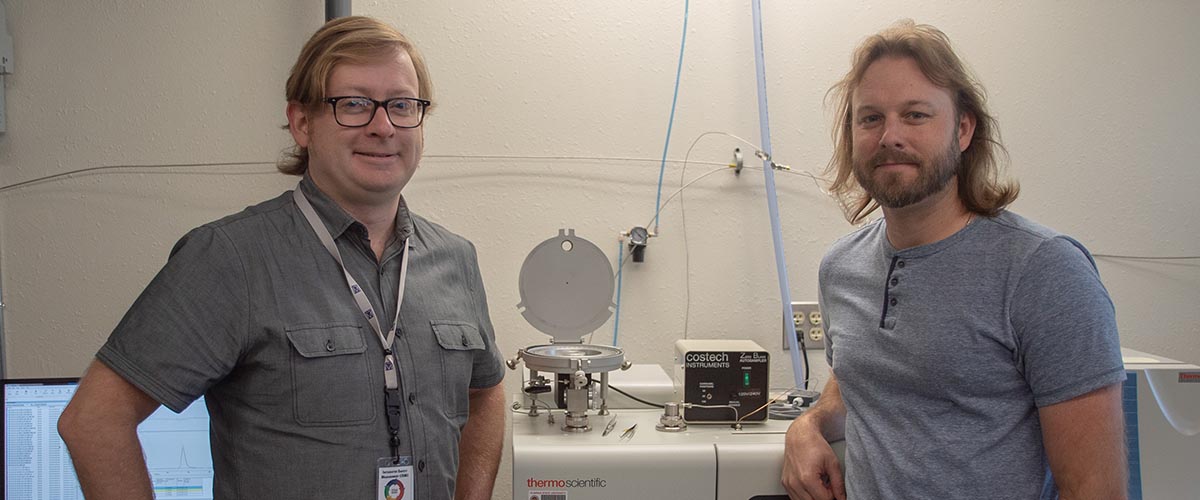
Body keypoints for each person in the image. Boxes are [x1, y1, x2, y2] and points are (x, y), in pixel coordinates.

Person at [57, 16, 506, 500]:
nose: (383, 126)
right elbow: (93, 421)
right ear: (302, 123)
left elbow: (485, 394)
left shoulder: (455, 259)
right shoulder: (230, 258)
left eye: (402, 105)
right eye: (354, 104)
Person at [781, 20, 1127, 500]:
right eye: (870, 118)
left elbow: (1095, 489)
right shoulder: (841, 267)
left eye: (916, 115)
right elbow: (865, 374)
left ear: (963, 129)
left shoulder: (1043, 271)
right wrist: (810, 423)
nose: (890, 136)